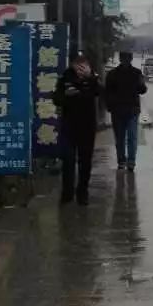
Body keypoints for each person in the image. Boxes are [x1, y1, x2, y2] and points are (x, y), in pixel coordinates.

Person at [53, 54, 100, 206]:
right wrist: (66, 96)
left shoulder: (93, 78)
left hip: (87, 126)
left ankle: (82, 192)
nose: (80, 68)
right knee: (68, 160)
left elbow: (102, 92)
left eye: (83, 65)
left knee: (85, 161)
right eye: (77, 65)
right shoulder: (65, 77)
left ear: (87, 66)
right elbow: (56, 98)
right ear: (72, 65)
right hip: (69, 126)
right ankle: (67, 193)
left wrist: (91, 78)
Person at [105, 51, 148, 172]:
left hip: (124, 110)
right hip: (127, 110)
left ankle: (125, 162)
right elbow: (143, 90)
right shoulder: (135, 73)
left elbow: (142, 89)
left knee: (122, 138)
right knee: (129, 137)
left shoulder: (113, 74)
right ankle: (128, 162)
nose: (125, 61)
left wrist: (110, 106)